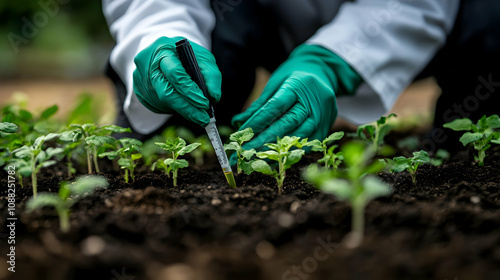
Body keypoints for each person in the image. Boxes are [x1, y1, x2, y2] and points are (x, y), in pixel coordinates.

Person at [103, 0, 500, 153]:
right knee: (181, 96)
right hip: (256, 18)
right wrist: (158, 34)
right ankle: (196, 148)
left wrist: (334, 59)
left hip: (403, 20)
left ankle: (468, 149)